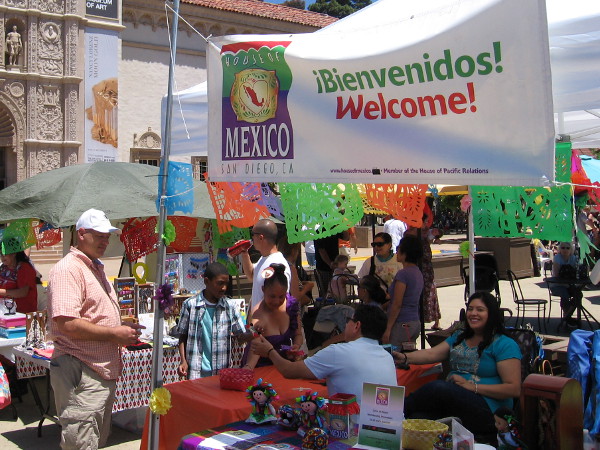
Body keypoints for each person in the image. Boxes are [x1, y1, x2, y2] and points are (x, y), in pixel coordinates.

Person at [47, 209, 145, 449]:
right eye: (99, 235)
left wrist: (119, 326)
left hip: (97, 372)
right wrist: (113, 333)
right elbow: (67, 323)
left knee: (94, 439)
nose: (105, 241)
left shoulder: (92, 267)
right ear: (81, 234)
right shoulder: (68, 269)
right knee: (81, 441)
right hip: (82, 369)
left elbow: (91, 315)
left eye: (107, 236)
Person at [395, 292, 522, 436]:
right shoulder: (460, 337)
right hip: (455, 401)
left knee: (438, 388)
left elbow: (513, 389)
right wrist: (404, 357)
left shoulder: (504, 344)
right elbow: (432, 353)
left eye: (480, 310)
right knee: (416, 418)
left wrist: (472, 387)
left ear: (491, 313)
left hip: (489, 410)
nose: (473, 313)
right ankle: (389, 422)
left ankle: (393, 411)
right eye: (470, 309)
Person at [251, 304, 397, 403]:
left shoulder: (338, 352)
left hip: (354, 432)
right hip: (390, 433)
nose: (346, 324)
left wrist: (269, 351)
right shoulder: (387, 356)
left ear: (357, 326)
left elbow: (289, 371)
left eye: (348, 320)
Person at [176, 262, 253, 380]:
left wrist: (254, 333)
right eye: (220, 283)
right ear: (207, 281)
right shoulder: (190, 305)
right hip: (196, 373)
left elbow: (241, 336)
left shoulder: (229, 307)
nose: (224, 288)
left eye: (226, 284)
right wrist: (183, 361)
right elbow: (183, 336)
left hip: (222, 373)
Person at [243, 263, 303, 369]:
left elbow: (298, 334)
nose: (276, 301)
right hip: (262, 368)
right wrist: (248, 368)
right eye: (272, 296)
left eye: (281, 296)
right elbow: (255, 343)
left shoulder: (292, 307)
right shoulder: (256, 314)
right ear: (263, 289)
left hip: (284, 366)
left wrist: (296, 346)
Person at [241, 218, 291, 316]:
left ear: (261, 237)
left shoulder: (277, 263)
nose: (251, 239)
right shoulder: (264, 258)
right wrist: (244, 253)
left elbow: (281, 301)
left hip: (268, 327)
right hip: (258, 326)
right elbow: (251, 276)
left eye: (252, 235)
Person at [383, 234, 424, 346]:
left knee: (395, 357)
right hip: (414, 321)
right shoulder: (417, 272)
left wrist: (388, 328)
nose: (396, 251)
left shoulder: (403, 274)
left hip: (402, 322)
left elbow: (397, 303)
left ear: (405, 253)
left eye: (398, 249)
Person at [407, 221, 442, 330]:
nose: (426, 224)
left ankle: (435, 320)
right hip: (419, 268)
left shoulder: (424, 235)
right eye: (424, 222)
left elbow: (427, 255)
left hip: (425, 269)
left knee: (428, 293)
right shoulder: (414, 235)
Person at [0, 243, 38, 313]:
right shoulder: (3, 268)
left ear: (14, 253)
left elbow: (22, 292)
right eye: (0, 254)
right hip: (4, 311)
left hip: (22, 313)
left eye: (4, 254)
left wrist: (1, 292)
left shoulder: (24, 268)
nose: (2, 257)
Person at [278, 236, 314, 307]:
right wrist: (307, 287)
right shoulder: (290, 268)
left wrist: (301, 283)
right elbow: (295, 297)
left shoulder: (278, 264)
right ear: (293, 251)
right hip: (291, 311)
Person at [550, 241, 579, 325]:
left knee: (578, 295)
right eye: (562, 248)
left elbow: (576, 273)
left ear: (571, 249)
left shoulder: (574, 258)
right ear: (559, 249)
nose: (565, 250)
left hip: (569, 284)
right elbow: (556, 274)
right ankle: (568, 318)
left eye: (567, 248)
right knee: (565, 295)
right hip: (557, 285)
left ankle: (567, 317)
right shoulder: (557, 258)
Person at [313, 229, 349, 297]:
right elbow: (321, 250)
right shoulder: (320, 231)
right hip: (323, 267)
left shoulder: (334, 229)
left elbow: (346, 238)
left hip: (334, 265)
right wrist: (330, 263)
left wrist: (343, 227)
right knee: (327, 291)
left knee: (337, 289)